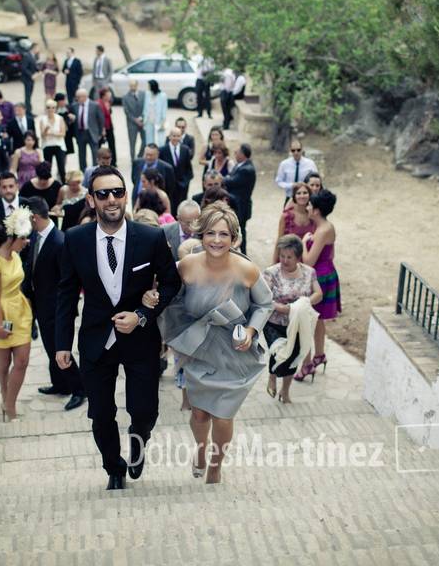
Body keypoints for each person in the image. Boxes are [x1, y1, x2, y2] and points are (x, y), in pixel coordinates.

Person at [55, 165, 181, 490]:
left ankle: (139, 446)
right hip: (96, 340)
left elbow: (171, 283)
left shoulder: (151, 238)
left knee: (144, 410)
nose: (111, 199)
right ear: (91, 199)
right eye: (103, 193)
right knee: (100, 413)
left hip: (140, 339)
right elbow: (66, 294)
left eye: (118, 192)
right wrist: (61, 344)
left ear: (126, 195)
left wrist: (141, 315)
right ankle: (114, 466)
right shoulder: (74, 239)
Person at [154, 203, 273, 484]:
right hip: (199, 348)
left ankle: (216, 465)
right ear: (200, 235)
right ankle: (200, 449)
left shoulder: (247, 269)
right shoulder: (185, 267)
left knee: (223, 416)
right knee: (199, 413)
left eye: (224, 235)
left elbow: (264, 303)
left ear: (234, 239)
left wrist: (252, 331)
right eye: (210, 233)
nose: (217, 241)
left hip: (235, 352)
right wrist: (153, 301)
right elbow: (168, 296)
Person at [20, 197, 85, 410]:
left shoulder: (59, 242)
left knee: (60, 349)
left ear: (34, 217)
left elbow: (69, 281)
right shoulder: (37, 236)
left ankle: (79, 389)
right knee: (50, 349)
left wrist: (62, 311)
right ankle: (60, 384)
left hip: (57, 310)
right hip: (42, 306)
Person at [0, 205, 34, 421]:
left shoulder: (16, 256)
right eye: (24, 238)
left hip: (20, 312)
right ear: (13, 237)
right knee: (4, 363)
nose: (27, 242)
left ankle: (10, 405)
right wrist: (0, 324)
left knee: (21, 361)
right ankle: (4, 393)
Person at [262, 235, 322, 402]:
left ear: (298, 257)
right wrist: (282, 308)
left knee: (293, 356)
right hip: (274, 322)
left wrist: (301, 305)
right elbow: (264, 297)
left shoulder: (309, 272)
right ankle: (272, 376)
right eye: (282, 256)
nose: (285, 260)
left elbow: (318, 293)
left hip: (297, 324)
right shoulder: (271, 272)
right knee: (279, 351)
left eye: (289, 257)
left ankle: (285, 391)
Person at [295, 189, 340, 382]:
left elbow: (309, 261)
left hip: (318, 278)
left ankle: (306, 365)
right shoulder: (326, 226)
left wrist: (303, 242)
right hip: (327, 273)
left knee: (306, 319)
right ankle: (319, 355)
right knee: (318, 318)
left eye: (311, 205)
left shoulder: (321, 231)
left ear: (317, 210)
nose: (308, 207)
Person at [223, 143, 256, 255]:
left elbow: (231, 181)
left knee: (240, 230)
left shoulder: (247, 169)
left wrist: (224, 178)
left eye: (237, 152)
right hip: (236, 203)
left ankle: (243, 253)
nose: (235, 154)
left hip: (241, 206)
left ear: (242, 154)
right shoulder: (240, 165)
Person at [274, 182, 315, 262]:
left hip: (307, 261)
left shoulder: (314, 216)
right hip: (288, 260)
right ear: (294, 197)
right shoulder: (286, 216)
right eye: (298, 193)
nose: (302, 196)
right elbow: (279, 240)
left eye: (305, 193)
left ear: (309, 195)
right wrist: (274, 262)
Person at [159, 127, 193, 215]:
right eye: (173, 136)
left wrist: (185, 183)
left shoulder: (185, 150)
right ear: (169, 137)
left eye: (178, 136)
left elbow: (189, 170)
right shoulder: (162, 150)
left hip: (182, 187)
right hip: (168, 188)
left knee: (181, 210)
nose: (176, 138)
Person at [68, 88, 105, 171]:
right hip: (80, 133)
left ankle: (96, 171)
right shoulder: (74, 106)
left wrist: (99, 133)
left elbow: (101, 120)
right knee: (81, 154)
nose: (77, 99)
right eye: (77, 97)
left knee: (95, 153)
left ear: (84, 97)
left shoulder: (95, 105)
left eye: (78, 97)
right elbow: (71, 120)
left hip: (92, 132)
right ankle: (83, 171)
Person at [130, 143, 174, 207]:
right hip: (137, 201)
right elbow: (134, 179)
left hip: (157, 204)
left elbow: (170, 188)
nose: (148, 157)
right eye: (146, 154)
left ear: (157, 155)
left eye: (151, 155)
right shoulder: (137, 163)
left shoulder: (167, 168)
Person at [38, 99, 67, 182]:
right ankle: (48, 183)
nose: (50, 109)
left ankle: (64, 183)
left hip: (59, 145)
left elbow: (63, 133)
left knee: (61, 167)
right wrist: (46, 131)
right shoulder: (42, 119)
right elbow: (42, 135)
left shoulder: (60, 118)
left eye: (53, 107)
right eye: (48, 107)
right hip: (47, 145)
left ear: (55, 108)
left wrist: (52, 133)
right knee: (47, 167)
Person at [123, 79, 145, 159]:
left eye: (134, 85)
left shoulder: (143, 94)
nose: (133, 87)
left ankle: (140, 156)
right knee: (132, 143)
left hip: (143, 122)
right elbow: (127, 112)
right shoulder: (125, 97)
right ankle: (133, 160)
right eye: (131, 85)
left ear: (137, 85)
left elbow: (146, 108)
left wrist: (142, 118)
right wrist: (135, 120)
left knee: (145, 141)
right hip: (132, 123)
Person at [142, 80, 167, 147]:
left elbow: (164, 109)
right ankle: (150, 152)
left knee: (160, 139)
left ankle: (160, 154)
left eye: (149, 86)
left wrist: (163, 122)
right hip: (149, 119)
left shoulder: (162, 96)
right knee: (149, 139)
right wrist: (143, 118)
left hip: (158, 120)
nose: (147, 87)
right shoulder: (147, 94)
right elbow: (145, 107)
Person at [98, 87, 117, 167]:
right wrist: (102, 129)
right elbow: (100, 117)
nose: (110, 95)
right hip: (103, 127)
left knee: (112, 143)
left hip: (109, 126)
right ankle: (100, 160)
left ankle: (113, 161)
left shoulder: (108, 103)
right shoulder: (99, 103)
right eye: (108, 94)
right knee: (99, 144)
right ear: (104, 96)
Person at [20, 43, 38, 115]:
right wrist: (31, 75)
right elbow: (24, 68)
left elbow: (33, 66)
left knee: (29, 95)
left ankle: (28, 110)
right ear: (33, 48)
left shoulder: (33, 56)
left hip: (31, 80)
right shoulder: (27, 56)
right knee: (27, 96)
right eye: (37, 48)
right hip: (27, 79)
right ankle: (28, 112)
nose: (38, 50)